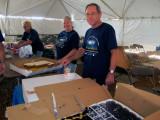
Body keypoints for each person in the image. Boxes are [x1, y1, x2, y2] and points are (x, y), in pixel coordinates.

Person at [62, 3, 118, 86]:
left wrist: (111, 73)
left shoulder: (107, 29)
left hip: (101, 74)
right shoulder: (89, 31)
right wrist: (70, 59)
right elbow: (82, 50)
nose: (89, 17)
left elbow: (115, 52)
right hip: (87, 72)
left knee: (100, 97)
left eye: (93, 13)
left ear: (100, 14)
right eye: (87, 14)